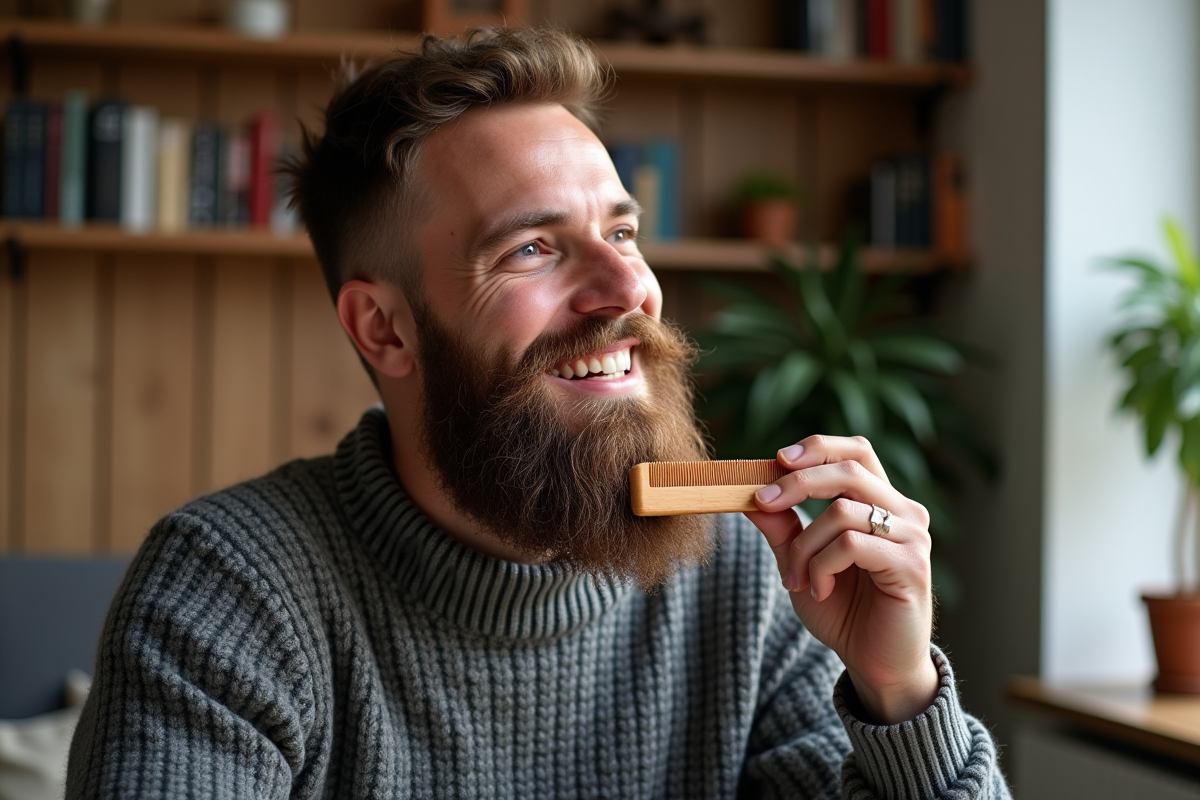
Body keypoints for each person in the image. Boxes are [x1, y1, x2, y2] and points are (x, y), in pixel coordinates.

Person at [67, 27, 1010, 799]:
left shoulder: (742, 575)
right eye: (531, 248)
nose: (626, 289)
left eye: (622, 231)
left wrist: (899, 694)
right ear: (383, 328)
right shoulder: (228, 596)